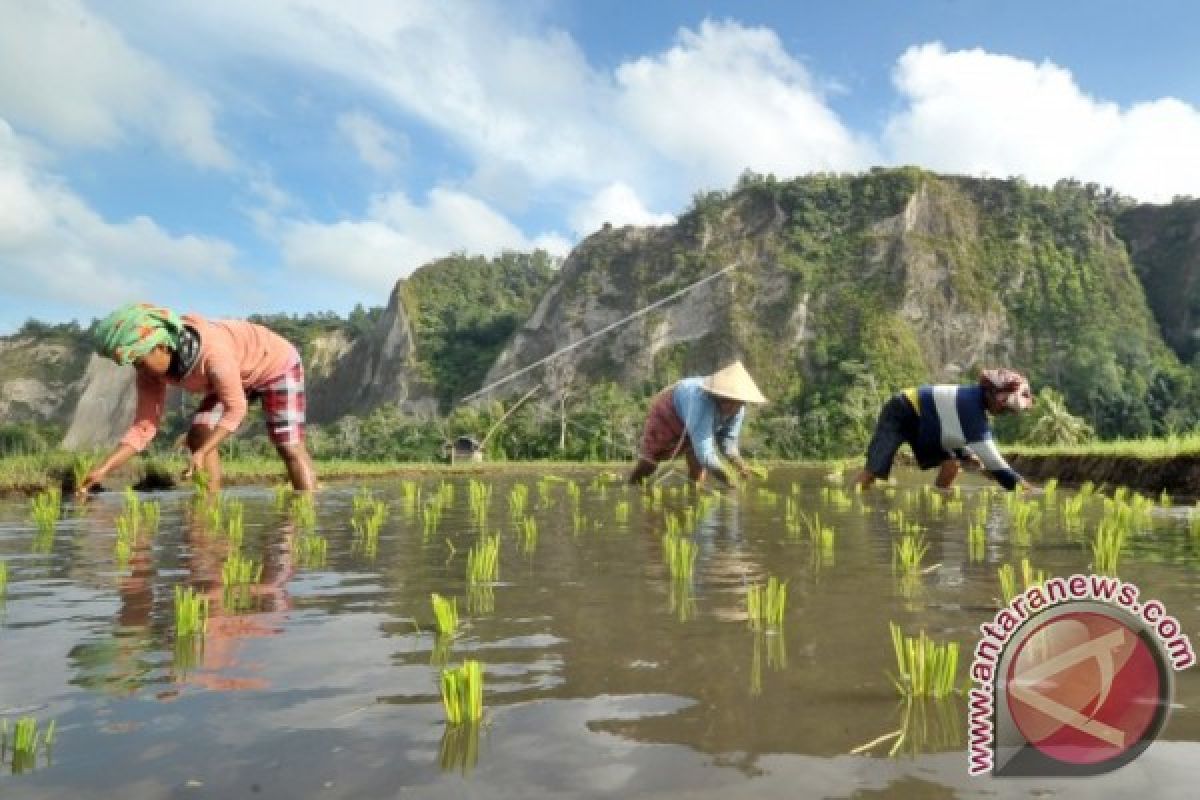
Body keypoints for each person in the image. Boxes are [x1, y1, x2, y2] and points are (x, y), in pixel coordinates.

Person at [77, 303, 316, 494]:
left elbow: (236, 409)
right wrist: (103, 469)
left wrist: (201, 452)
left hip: (275, 365)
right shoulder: (149, 373)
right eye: (133, 363)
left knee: (289, 447)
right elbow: (143, 428)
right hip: (236, 372)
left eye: (139, 360)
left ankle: (307, 513)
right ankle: (209, 503)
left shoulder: (213, 354)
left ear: (161, 346)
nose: (139, 368)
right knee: (200, 431)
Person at [855, 368, 1037, 492]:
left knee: (951, 466)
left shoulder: (975, 404)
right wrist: (1028, 490)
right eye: (1004, 409)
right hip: (902, 409)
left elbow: (956, 432)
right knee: (874, 470)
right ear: (992, 395)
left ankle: (938, 506)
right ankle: (854, 502)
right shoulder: (972, 409)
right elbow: (996, 465)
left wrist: (972, 459)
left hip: (933, 422)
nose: (1003, 413)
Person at [628, 360, 767, 487]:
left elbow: (728, 441)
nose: (731, 407)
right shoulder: (702, 402)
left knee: (698, 468)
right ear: (718, 395)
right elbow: (706, 454)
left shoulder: (738, 410)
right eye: (727, 401)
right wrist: (727, 477)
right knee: (650, 461)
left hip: (693, 422)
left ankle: (694, 496)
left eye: (737, 403)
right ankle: (631, 487)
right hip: (669, 413)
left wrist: (739, 464)